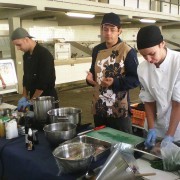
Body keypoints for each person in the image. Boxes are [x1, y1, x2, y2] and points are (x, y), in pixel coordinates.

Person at [86, 12, 140, 133]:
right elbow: (93, 71)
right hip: (99, 106)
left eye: (112, 29)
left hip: (119, 107)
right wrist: (89, 79)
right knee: (101, 142)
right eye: (105, 29)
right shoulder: (97, 50)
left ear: (119, 31)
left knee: (123, 144)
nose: (108, 33)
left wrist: (115, 82)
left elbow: (135, 79)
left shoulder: (127, 51)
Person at [136, 25, 180, 148]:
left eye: (152, 54)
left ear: (162, 44)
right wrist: (151, 128)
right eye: (144, 56)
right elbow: (148, 101)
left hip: (177, 130)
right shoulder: (142, 68)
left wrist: (170, 135)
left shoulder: (177, 63)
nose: (149, 59)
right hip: (157, 127)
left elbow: (177, 103)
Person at [11, 27, 59, 111]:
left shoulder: (44, 55)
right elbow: (26, 77)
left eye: (19, 45)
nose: (18, 48)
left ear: (26, 39)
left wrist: (32, 101)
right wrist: (24, 96)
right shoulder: (26, 55)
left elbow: (43, 83)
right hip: (33, 95)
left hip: (46, 98)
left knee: (46, 121)